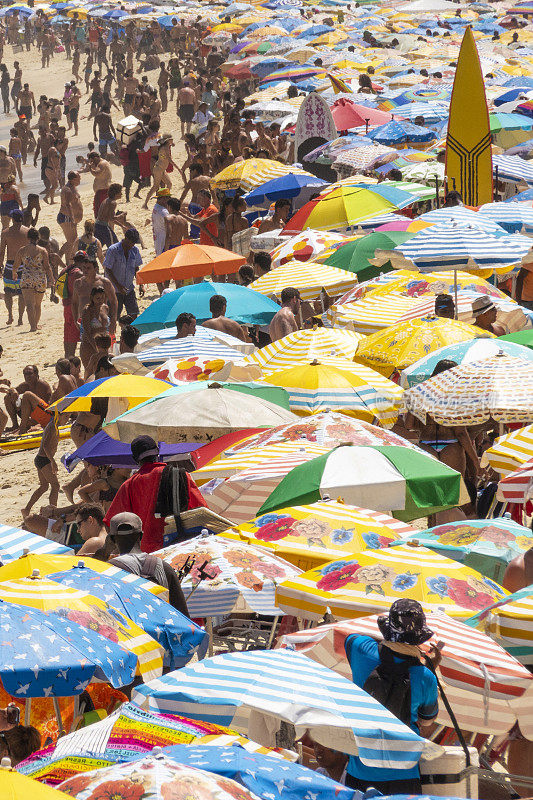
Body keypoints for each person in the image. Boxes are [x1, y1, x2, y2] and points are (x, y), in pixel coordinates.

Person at [344, 599, 440, 792]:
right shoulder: (426, 677)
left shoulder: (362, 650)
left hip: (361, 769)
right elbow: (427, 720)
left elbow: (350, 639)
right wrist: (429, 665)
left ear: (388, 630)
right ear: (420, 636)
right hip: (404, 774)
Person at [103, 436, 205, 553]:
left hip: (146, 555)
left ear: (135, 459)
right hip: (179, 548)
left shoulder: (129, 485)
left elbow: (111, 522)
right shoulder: (180, 475)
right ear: (157, 452)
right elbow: (201, 510)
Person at [108, 511, 189, 616]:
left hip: (132, 631)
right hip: (161, 629)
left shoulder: (108, 570)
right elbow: (183, 615)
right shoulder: (164, 567)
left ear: (111, 539)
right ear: (141, 536)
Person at [16, 227, 53, 332]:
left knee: (29, 304)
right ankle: (35, 325)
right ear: (38, 238)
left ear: (28, 238)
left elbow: (16, 265)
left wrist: (14, 273)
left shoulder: (22, 250)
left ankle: (32, 327)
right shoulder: (42, 251)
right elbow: (47, 267)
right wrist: (52, 279)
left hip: (27, 278)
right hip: (40, 279)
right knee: (37, 304)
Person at [71, 254, 118, 340]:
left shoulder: (104, 282)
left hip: (101, 320)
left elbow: (113, 301)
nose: (85, 270)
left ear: (96, 269)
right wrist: (75, 321)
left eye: (88, 268)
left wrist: (114, 320)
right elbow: (74, 303)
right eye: (84, 267)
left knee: (104, 348)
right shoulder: (78, 283)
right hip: (85, 321)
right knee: (87, 348)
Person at [103, 228, 142, 318]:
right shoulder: (113, 250)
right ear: (126, 238)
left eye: (134, 243)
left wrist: (140, 284)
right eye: (131, 242)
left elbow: (136, 268)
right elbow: (108, 269)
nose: (132, 245)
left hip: (129, 289)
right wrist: (118, 286)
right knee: (113, 316)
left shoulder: (135, 250)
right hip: (114, 291)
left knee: (133, 315)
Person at [0, 208, 28, 326]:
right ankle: (20, 318)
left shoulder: (6, 233)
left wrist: (0, 265)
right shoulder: (27, 231)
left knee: (7, 291)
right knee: (22, 293)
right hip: (23, 264)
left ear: (12, 219)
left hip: (10, 265)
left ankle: (10, 315)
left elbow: (1, 251)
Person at [57, 171, 83, 262]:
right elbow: (68, 205)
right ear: (73, 179)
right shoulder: (67, 190)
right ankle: (58, 257)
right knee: (72, 242)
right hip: (66, 218)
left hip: (70, 218)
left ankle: (69, 262)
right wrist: (72, 220)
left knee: (72, 241)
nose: (80, 179)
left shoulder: (73, 187)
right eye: (79, 178)